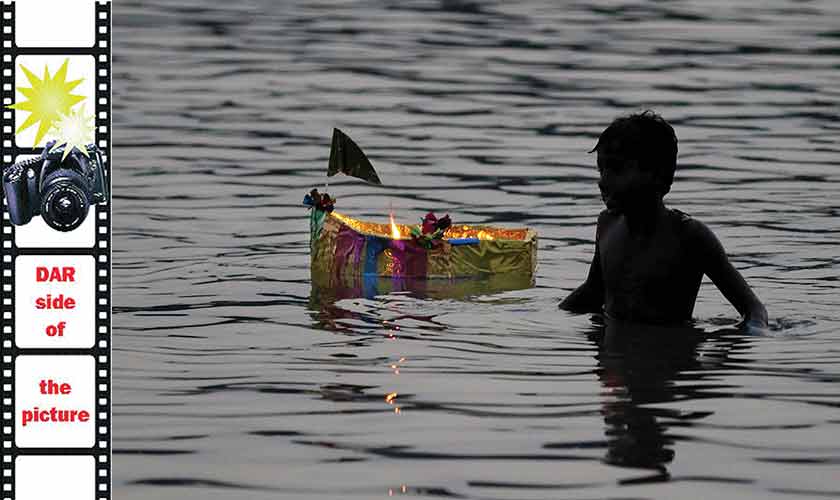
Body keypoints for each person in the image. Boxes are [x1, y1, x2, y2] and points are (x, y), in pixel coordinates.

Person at [559, 110, 768, 329]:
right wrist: (547, 320)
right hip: (615, 346)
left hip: (669, 348)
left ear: (657, 175)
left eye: (616, 169)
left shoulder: (690, 236)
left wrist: (752, 334)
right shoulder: (607, 225)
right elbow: (593, 291)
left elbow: (754, 310)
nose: (602, 182)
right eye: (601, 170)